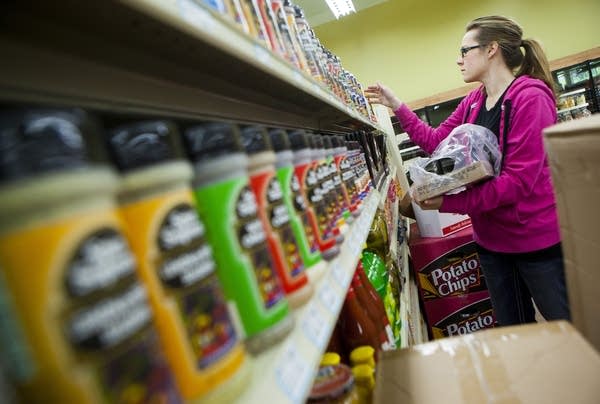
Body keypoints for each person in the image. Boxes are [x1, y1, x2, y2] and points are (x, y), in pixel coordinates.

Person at [365, 15, 571, 326]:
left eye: (465, 50)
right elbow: (435, 143)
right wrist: (397, 105)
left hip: (534, 242)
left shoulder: (530, 97)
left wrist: (448, 204)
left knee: (565, 325)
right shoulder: (474, 102)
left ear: (491, 49)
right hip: (491, 244)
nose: (459, 60)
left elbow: (516, 184)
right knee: (513, 329)